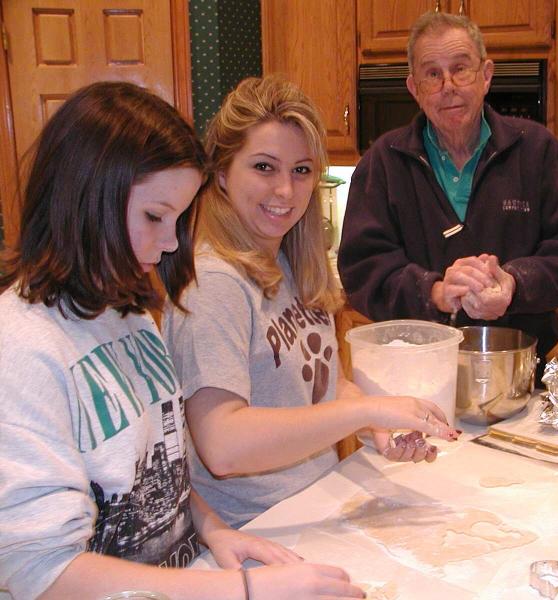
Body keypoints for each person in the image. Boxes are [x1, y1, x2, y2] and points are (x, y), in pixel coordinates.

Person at [0, 81, 365, 600]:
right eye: (154, 217)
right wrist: (244, 591)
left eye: (177, 219)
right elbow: (43, 574)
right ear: (85, 198)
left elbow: (160, 474)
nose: (172, 243)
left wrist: (214, 531)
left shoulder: (126, 316)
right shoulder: (20, 348)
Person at [162, 75, 460, 531]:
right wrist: (364, 412)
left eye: (301, 170)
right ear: (221, 172)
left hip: (317, 504)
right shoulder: (215, 284)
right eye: (264, 167)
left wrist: (376, 428)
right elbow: (221, 446)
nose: (286, 190)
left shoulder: (292, 261)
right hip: (257, 530)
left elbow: (324, 387)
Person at [337, 11, 558, 384]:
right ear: (414, 88)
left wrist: (514, 284)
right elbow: (363, 269)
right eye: (432, 74)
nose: (448, 85)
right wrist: (435, 292)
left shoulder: (537, 150)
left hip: (519, 371)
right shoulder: (384, 161)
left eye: (461, 68)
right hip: (416, 375)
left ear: (486, 75)